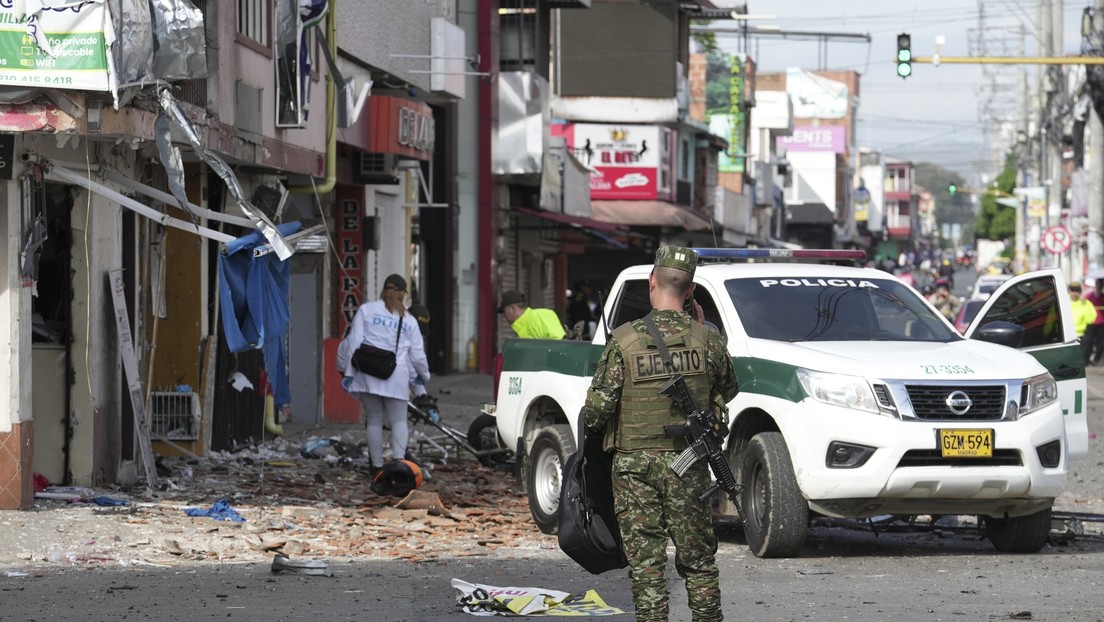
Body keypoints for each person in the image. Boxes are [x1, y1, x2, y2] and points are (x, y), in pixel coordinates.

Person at [581, 245, 739, 622]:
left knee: (647, 567)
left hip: (634, 469)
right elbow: (729, 389)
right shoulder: (707, 340)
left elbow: (596, 413)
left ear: (652, 281)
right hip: (689, 465)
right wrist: (702, 328)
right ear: (691, 290)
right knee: (699, 564)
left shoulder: (623, 340)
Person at [340, 274, 430, 476]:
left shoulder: (366, 310)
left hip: (367, 373)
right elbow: (417, 355)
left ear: (383, 289)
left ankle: (377, 467)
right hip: (396, 376)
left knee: (373, 420)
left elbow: (354, 342)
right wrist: (424, 376)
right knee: (399, 420)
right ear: (402, 293)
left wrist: (349, 372)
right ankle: (398, 462)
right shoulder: (409, 320)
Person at [499, 289, 566, 339]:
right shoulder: (521, 326)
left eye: (504, 311)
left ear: (513, 308)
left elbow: (559, 343)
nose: (504, 316)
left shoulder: (540, 316)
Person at [1069, 282, 1097, 365]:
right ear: (1069, 291)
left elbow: (1091, 319)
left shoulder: (1086, 303)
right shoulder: (1063, 301)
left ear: (1080, 292)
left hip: (1080, 336)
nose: (1074, 293)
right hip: (1067, 336)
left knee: (1080, 362)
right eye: (1072, 290)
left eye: (1076, 290)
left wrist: (1084, 304)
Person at [1084, 279, 1104, 365]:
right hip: (1091, 322)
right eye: (1098, 284)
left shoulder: (1103, 296)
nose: (1099, 286)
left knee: (1100, 343)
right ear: (1096, 285)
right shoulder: (1089, 296)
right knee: (1089, 342)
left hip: (1101, 323)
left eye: (1101, 285)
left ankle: (1097, 359)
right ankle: (1086, 359)